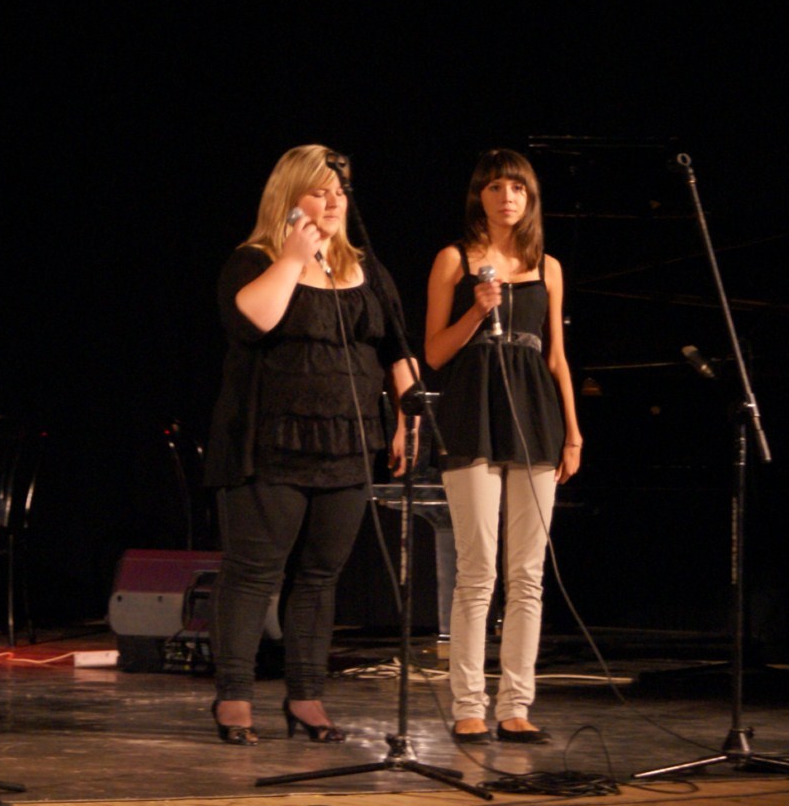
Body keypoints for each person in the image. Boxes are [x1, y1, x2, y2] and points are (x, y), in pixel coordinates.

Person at [206, 145, 419, 745]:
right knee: (254, 574)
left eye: (339, 192)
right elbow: (256, 319)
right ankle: (234, 697)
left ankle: (306, 697)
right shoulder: (253, 261)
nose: (332, 202)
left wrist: (408, 417)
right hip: (270, 444)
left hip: (349, 444)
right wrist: (295, 257)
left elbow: (397, 350)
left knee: (321, 577)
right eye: (318, 191)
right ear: (289, 197)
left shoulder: (368, 269)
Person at [425, 148, 582, 745]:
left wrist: (572, 431)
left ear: (530, 197)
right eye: (495, 187)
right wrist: (476, 310)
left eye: (516, 187)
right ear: (480, 197)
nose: (506, 197)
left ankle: (516, 705)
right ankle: (468, 703)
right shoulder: (454, 260)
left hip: (535, 416)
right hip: (472, 414)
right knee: (477, 569)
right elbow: (433, 353)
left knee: (528, 574)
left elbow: (557, 358)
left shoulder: (549, 267)